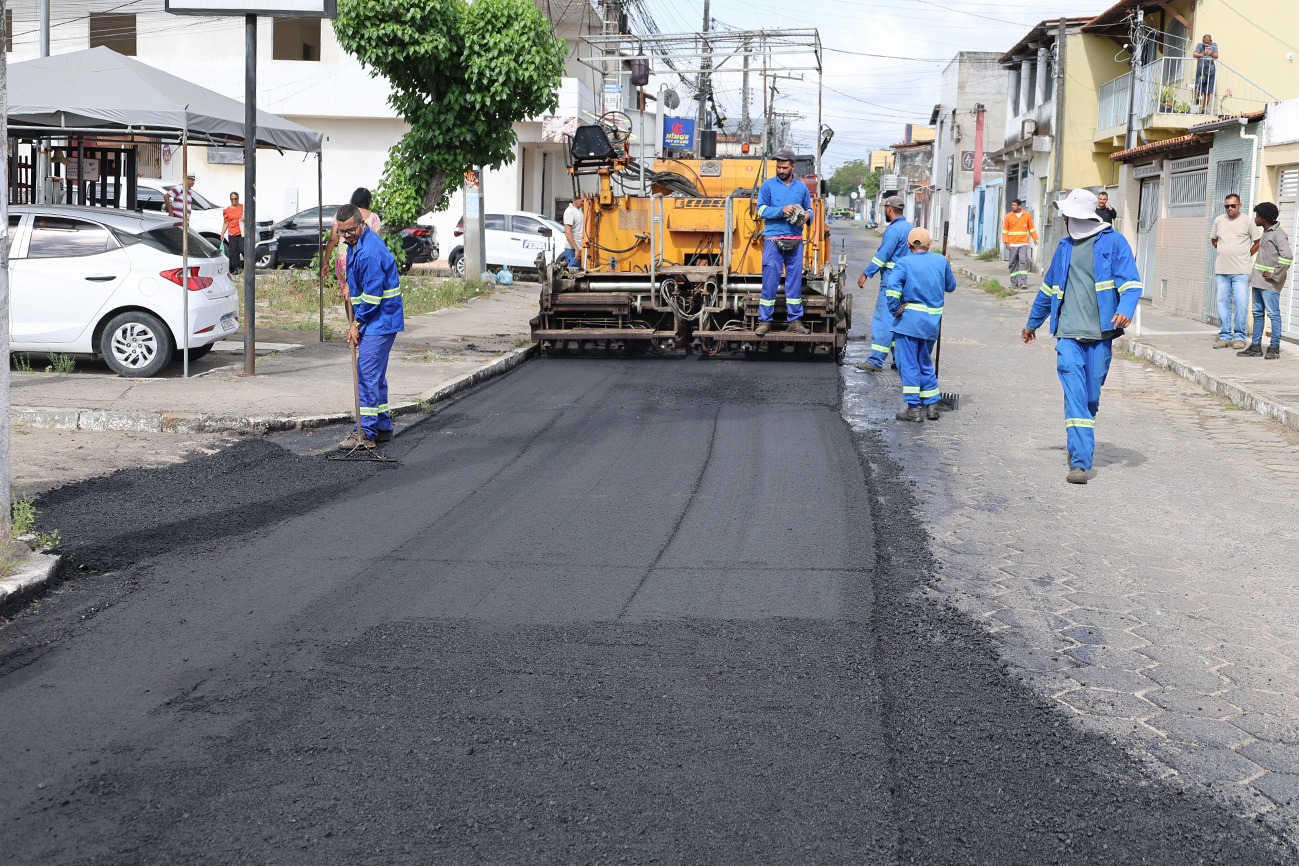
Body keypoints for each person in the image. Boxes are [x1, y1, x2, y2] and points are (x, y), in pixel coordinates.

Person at [1022, 188, 1142, 485]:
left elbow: (1131, 282)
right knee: (1075, 396)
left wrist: (1125, 309)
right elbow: (1048, 289)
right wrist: (1032, 324)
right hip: (1068, 335)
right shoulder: (1064, 247)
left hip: (1100, 334)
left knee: (1090, 398)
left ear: (1078, 215)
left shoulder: (1114, 242)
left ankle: (1079, 442)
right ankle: (1080, 462)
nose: (1063, 218)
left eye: (1066, 214)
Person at [336, 204, 404, 449]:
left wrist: (356, 324)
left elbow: (373, 296)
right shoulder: (357, 244)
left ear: (361, 224)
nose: (347, 235)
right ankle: (382, 427)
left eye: (350, 230)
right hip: (378, 319)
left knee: (365, 374)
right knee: (375, 376)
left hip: (379, 319)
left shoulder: (369, 252)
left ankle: (364, 432)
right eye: (342, 232)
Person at [886, 227, 957, 423]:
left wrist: (895, 309)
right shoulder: (940, 261)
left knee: (908, 365)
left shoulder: (904, 262)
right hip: (931, 324)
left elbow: (892, 288)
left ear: (908, 245)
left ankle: (914, 410)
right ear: (929, 245)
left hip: (908, 323)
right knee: (924, 362)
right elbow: (950, 286)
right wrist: (946, 265)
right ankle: (932, 406)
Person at [754, 148, 813, 337]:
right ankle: (765, 322)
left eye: (784, 167)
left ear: (793, 167)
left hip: (795, 241)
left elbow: (810, 209)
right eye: (778, 167)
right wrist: (782, 210)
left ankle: (795, 322)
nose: (781, 170)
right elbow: (760, 210)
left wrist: (807, 216)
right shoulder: (767, 186)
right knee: (769, 282)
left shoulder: (802, 188)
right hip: (773, 240)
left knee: (794, 283)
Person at [854, 194, 913, 372]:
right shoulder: (910, 228)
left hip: (891, 282)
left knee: (883, 321)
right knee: (899, 321)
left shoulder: (893, 230)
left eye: (885, 209)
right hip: (907, 283)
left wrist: (866, 273)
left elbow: (882, 256)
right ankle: (899, 360)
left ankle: (876, 361)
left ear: (889, 209)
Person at [1237, 201, 1291, 360]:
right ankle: (1256, 347)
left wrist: (1275, 275)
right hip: (1258, 281)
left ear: (1264, 218)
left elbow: (1287, 256)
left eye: (1257, 216)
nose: (1255, 218)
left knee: (1273, 315)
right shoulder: (1267, 232)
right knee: (1258, 313)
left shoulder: (1278, 234)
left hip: (1269, 284)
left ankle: (1274, 348)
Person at [1210, 193, 1261, 349]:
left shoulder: (1248, 221)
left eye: (1233, 205)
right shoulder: (1219, 220)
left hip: (1241, 271)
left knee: (1241, 303)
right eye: (1227, 206)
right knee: (1222, 303)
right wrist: (1224, 251)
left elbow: (1258, 242)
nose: (1230, 208)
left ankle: (1239, 337)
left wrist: (1246, 254)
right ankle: (1225, 336)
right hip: (1222, 270)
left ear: (1239, 205)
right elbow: (1214, 240)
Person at [322, 188, 383, 306]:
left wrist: (326, 262)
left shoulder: (342, 215)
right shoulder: (374, 217)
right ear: (368, 201)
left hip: (343, 259)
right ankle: (359, 318)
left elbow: (333, 239)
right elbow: (377, 243)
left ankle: (351, 317)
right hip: (365, 260)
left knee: (347, 295)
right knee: (364, 293)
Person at [1002, 199, 1039, 290]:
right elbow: (1005, 230)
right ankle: (1014, 283)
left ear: (1019, 206)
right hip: (1013, 244)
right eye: (1012, 205)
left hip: (1023, 243)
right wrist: (1006, 242)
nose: (1012, 207)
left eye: (1014, 205)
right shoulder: (1008, 216)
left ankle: (1023, 283)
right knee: (1013, 263)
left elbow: (1031, 228)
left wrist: (1035, 238)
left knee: (1023, 262)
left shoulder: (1026, 215)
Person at [220, 191, 244, 274]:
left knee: (243, 249)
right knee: (234, 252)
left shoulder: (242, 208)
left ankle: (246, 266)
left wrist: (245, 218)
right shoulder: (227, 210)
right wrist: (222, 233)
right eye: (232, 199)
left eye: (235, 198)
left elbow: (249, 218)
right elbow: (226, 222)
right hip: (232, 233)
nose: (234, 200)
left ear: (238, 198)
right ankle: (236, 268)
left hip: (241, 233)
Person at [1194, 35, 1218, 113]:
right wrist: (1204, 53)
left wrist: (1211, 54)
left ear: (1211, 41)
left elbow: (1216, 56)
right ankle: (1197, 108)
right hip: (1200, 72)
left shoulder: (1214, 45)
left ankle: (1204, 109)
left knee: (1207, 93)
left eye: (1208, 43)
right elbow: (1195, 55)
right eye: (1204, 43)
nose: (1206, 45)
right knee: (1198, 92)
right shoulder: (1199, 45)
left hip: (1211, 72)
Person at [562, 198, 583, 269]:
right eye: (582, 201)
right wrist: (576, 249)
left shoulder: (579, 210)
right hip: (573, 250)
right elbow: (567, 232)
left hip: (580, 248)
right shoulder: (570, 211)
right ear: (575, 200)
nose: (583, 203)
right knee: (573, 271)